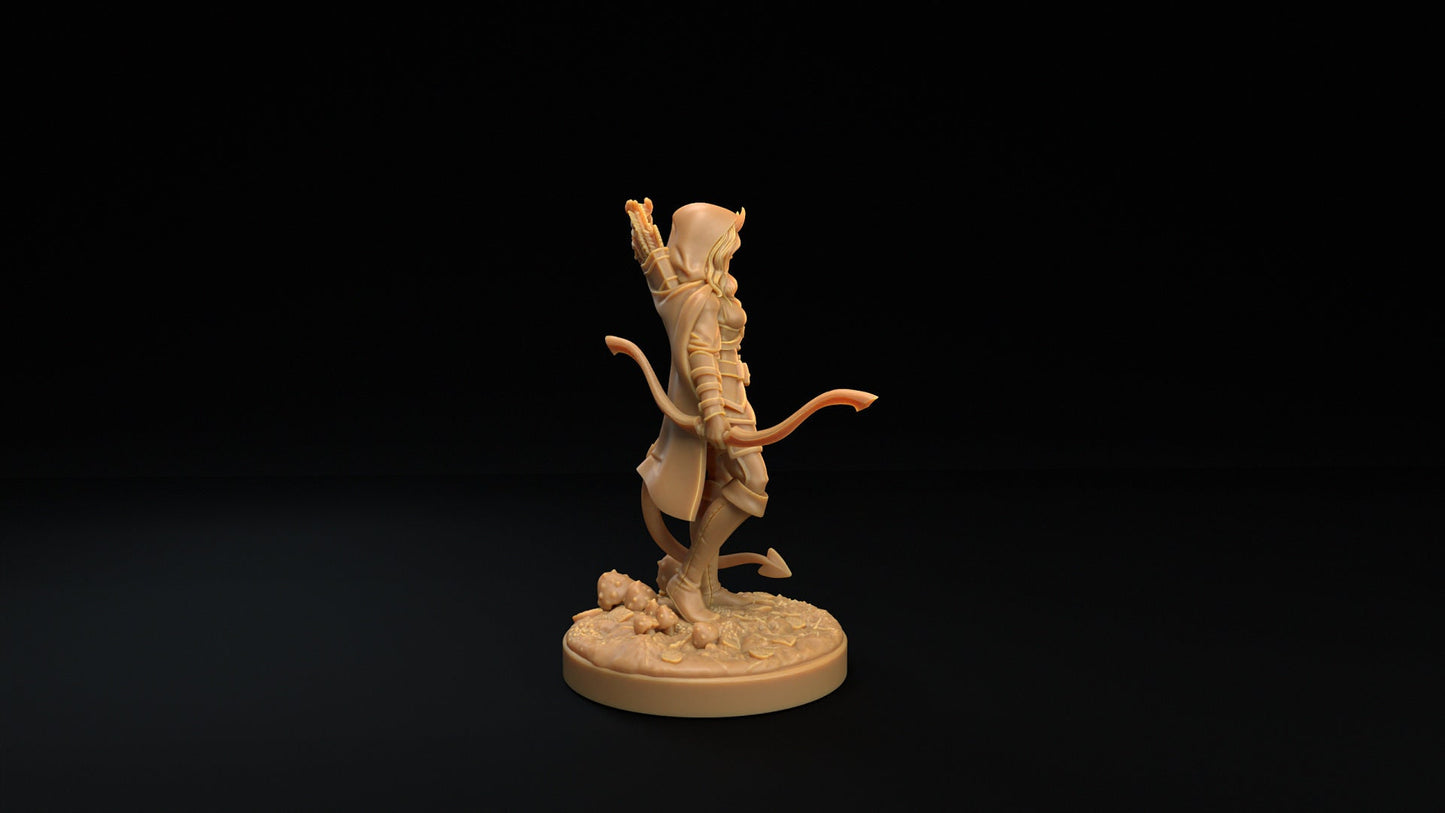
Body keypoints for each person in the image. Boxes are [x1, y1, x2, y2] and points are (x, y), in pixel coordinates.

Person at [628, 200, 768, 623]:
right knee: (753, 481)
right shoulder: (702, 299)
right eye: (727, 242)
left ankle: (707, 588)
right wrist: (714, 413)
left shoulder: (700, 291)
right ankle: (689, 583)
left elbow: (660, 276)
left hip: (735, 399)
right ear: (709, 245)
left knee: (715, 487)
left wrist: (649, 239)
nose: (733, 249)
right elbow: (701, 356)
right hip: (723, 405)